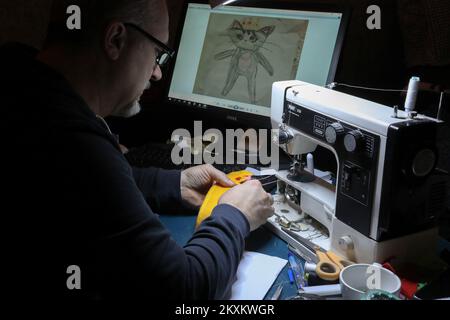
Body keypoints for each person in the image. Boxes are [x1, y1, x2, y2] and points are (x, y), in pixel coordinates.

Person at [1, 0, 274, 301]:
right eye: (157, 53)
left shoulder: (20, 78)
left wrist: (174, 184)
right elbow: (185, 290)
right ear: (115, 39)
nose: (157, 73)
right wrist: (235, 215)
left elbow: (83, 188)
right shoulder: (72, 140)